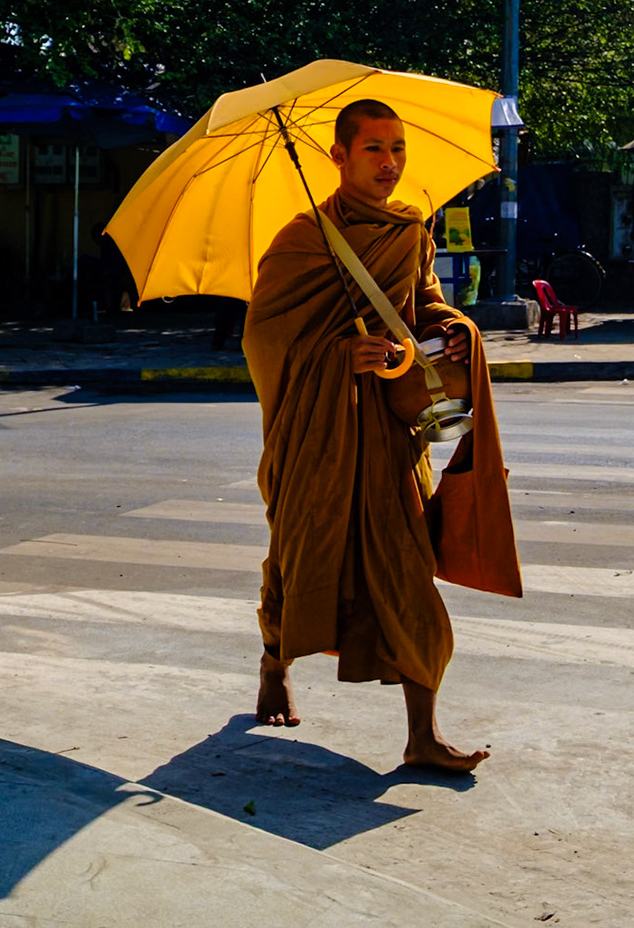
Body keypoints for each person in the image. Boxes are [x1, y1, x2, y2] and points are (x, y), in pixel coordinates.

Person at [241, 99, 515, 772]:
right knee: (303, 557)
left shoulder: (410, 229)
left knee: (406, 571)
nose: (390, 162)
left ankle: (421, 734)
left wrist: (454, 325)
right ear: (339, 156)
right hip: (318, 437)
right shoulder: (300, 240)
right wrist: (340, 354)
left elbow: (420, 301)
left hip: (391, 439)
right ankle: (274, 664)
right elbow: (266, 339)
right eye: (374, 149)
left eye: (397, 148)